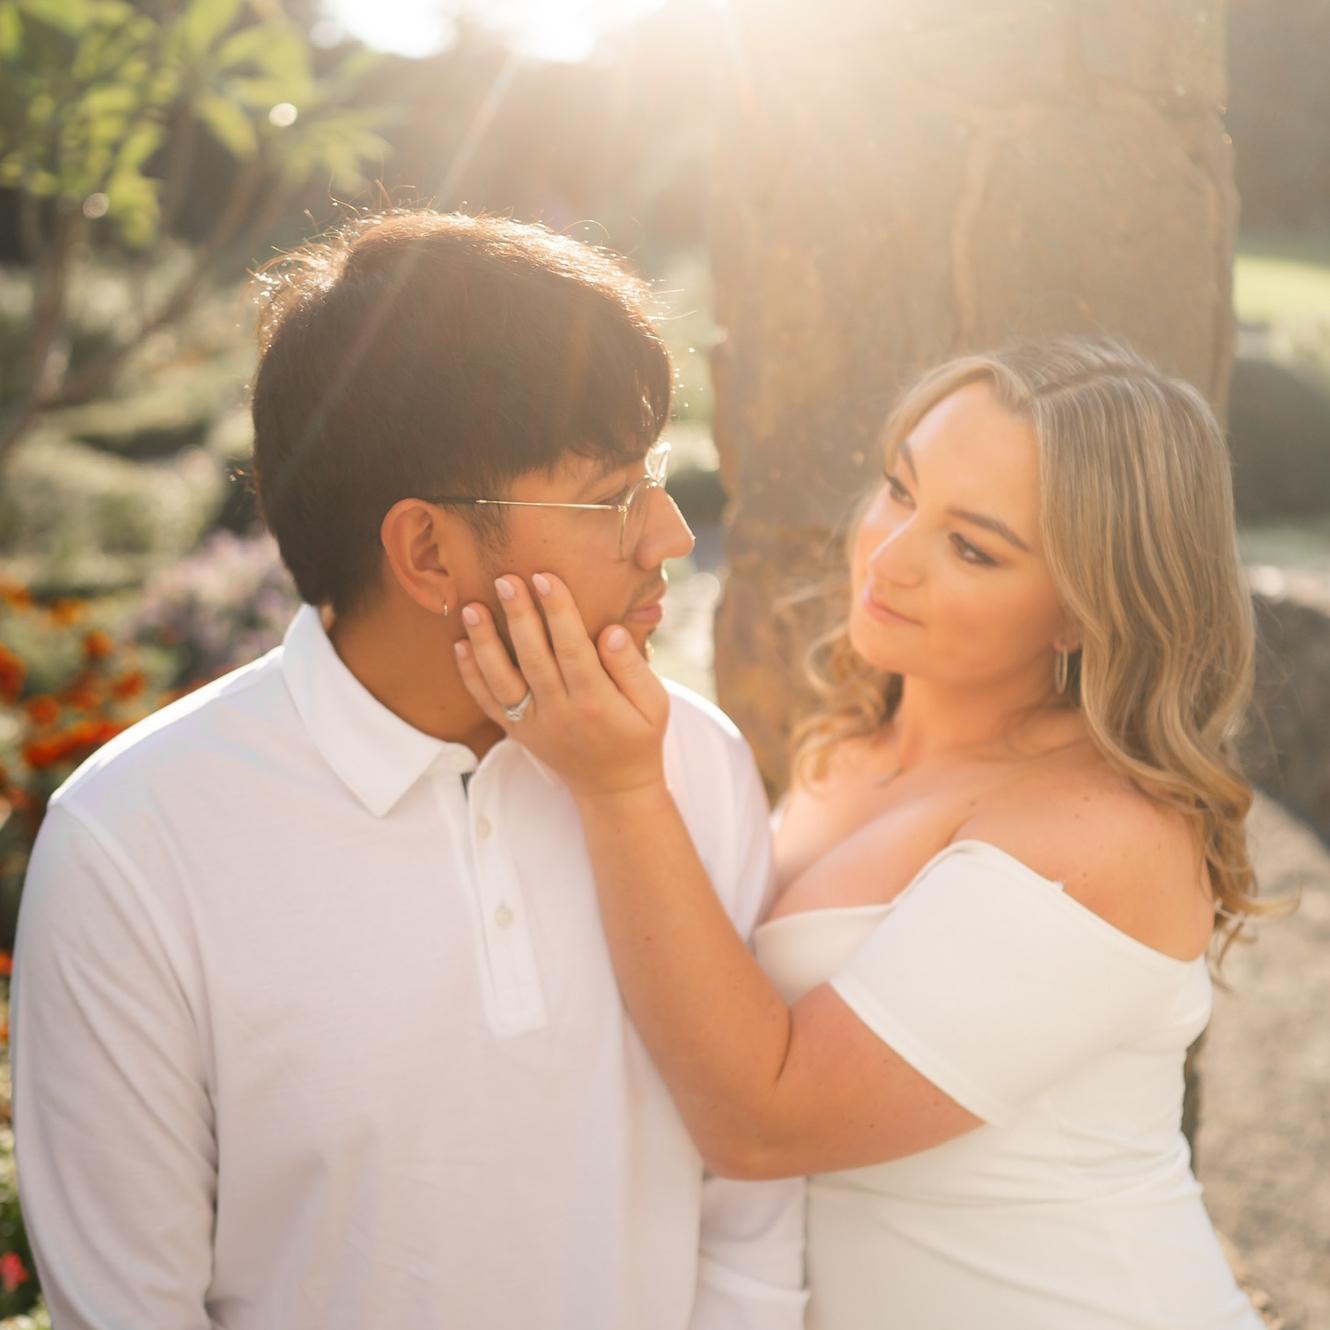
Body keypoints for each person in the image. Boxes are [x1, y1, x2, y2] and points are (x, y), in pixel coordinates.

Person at [11, 211, 807, 1330]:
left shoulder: (692, 761)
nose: (670, 535)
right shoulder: (134, 838)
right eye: (611, 497)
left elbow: (750, 1223)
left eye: (657, 477)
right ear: (427, 552)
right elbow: (127, 1306)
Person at [454, 336, 1269, 1329]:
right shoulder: (852, 747)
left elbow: (762, 1124)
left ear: (1083, 610)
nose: (887, 555)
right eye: (898, 488)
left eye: (971, 547)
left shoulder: (1101, 831)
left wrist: (620, 787)